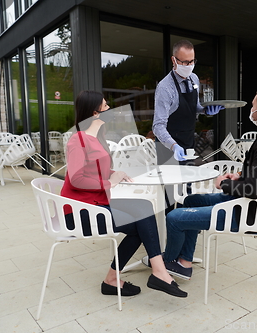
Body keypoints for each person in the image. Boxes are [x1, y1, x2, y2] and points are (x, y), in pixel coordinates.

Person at [61, 90, 187, 297]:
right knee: (141, 224)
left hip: (96, 204)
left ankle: (151, 273)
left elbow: (92, 169)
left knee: (144, 207)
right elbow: (76, 178)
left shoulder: (95, 137)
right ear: (95, 113)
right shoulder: (78, 140)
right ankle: (155, 273)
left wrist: (114, 172)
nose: (110, 109)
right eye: (106, 106)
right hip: (79, 211)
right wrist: (109, 182)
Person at [162, 85, 257, 280]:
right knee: (190, 201)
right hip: (249, 205)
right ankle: (185, 262)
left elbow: (253, 189)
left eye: (253, 105)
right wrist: (239, 176)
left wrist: (223, 184)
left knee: (174, 217)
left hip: (248, 213)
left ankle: (166, 264)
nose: (251, 109)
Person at [153, 39, 224, 164]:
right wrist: (173, 146)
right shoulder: (165, 88)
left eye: (192, 61)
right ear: (174, 60)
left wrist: (206, 110)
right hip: (168, 147)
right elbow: (158, 126)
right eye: (185, 62)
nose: (189, 65)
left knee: (189, 182)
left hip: (188, 142)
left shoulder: (194, 78)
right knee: (173, 183)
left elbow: (194, 107)